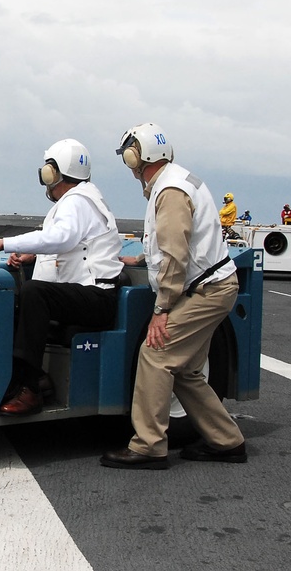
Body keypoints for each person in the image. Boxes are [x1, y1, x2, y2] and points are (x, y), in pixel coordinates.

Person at [101, 123, 245, 470]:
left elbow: (176, 255)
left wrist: (162, 309)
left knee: (156, 353)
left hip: (206, 291)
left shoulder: (169, 191)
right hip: (214, 285)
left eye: (128, 158)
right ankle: (228, 442)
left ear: (138, 157)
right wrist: (140, 258)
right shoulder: (178, 180)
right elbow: (177, 244)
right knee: (187, 371)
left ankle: (149, 445)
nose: (130, 167)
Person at [0, 138, 124, 416]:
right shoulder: (80, 200)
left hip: (97, 297)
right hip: (86, 294)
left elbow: (59, 238)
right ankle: (33, 378)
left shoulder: (78, 201)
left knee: (34, 293)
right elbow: (72, 246)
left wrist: (4, 243)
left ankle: (29, 388)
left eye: (46, 172)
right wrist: (32, 256)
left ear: (54, 173)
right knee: (18, 301)